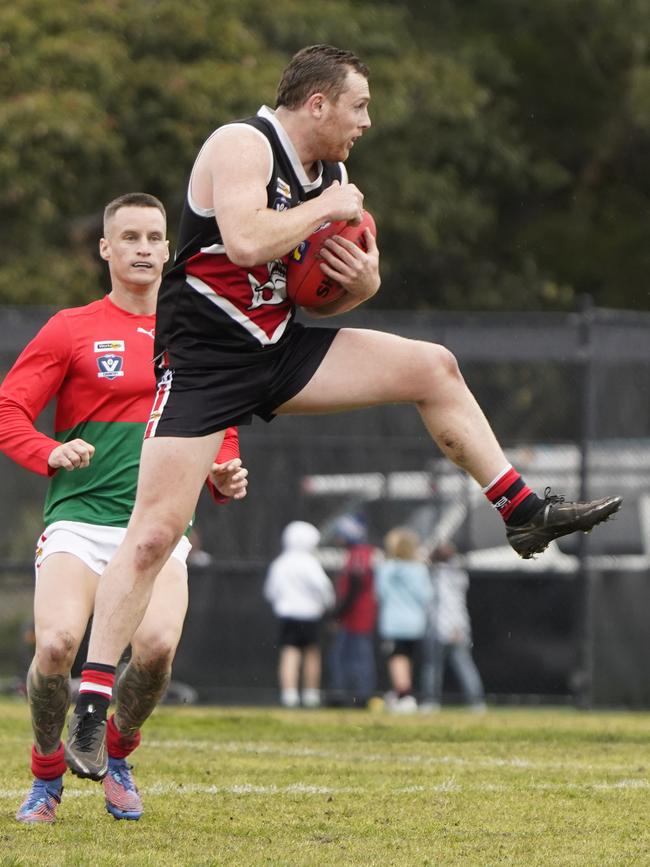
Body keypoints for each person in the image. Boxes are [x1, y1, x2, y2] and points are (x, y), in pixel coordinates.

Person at [65, 44, 621, 775]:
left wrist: (363, 280)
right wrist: (330, 207)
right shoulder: (241, 145)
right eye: (357, 105)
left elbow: (326, 283)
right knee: (153, 534)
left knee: (434, 367)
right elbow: (246, 239)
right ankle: (93, 703)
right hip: (204, 365)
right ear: (317, 104)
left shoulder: (332, 175)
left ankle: (519, 509)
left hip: (281, 349)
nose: (366, 120)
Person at [0, 192, 248, 824]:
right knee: (56, 645)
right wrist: (47, 451)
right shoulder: (71, 328)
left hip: (158, 530)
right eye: (129, 237)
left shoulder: (196, 330)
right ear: (106, 249)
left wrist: (224, 472)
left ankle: (117, 753)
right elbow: (9, 412)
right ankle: (47, 773)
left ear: (170, 248)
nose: (143, 248)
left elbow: (217, 424)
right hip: (79, 526)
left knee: (159, 646)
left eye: (154, 237)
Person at [264, 521, 335, 707]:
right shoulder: (310, 563)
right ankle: (311, 694)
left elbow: (271, 590)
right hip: (310, 615)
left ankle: (289, 694)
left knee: (289, 652)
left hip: (288, 615)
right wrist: (328, 603)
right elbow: (323, 587)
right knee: (312, 653)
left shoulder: (281, 563)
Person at [419, 542, 486, 713]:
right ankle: (476, 703)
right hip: (457, 625)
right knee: (454, 666)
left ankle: (431, 701)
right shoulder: (458, 573)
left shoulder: (438, 574)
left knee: (436, 667)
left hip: (444, 626)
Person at [375, 527, 433, 713]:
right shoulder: (419, 569)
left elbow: (380, 593)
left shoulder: (386, 568)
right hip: (415, 622)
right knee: (407, 657)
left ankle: (404, 695)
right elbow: (426, 595)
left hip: (393, 622)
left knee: (397, 658)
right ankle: (403, 692)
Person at [327, 515, 378, 707]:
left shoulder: (359, 553)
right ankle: (351, 694)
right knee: (350, 657)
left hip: (356, 617)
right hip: (353, 617)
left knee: (355, 658)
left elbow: (355, 586)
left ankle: (358, 696)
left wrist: (338, 614)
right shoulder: (358, 553)